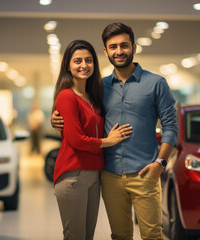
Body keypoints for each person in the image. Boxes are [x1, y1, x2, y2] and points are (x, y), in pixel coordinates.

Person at [52, 23, 179, 240]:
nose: (119, 51)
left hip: (145, 173)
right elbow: (78, 116)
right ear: (106, 51)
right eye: (113, 47)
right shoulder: (99, 88)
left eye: (124, 46)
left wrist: (161, 162)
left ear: (134, 47)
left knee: (152, 235)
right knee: (119, 236)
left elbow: (171, 126)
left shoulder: (156, 83)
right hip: (109, 175)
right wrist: (56, 118)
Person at [52, 39, 133, 240]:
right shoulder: (66, 96)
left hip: (94, 175)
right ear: (68, 66)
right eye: (77, 61)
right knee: (75, 236)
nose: (84, 65)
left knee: (88, 236)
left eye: (88, 60)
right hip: (73, 175)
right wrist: (109, 141)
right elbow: (77, 140)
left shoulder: (92, 96)